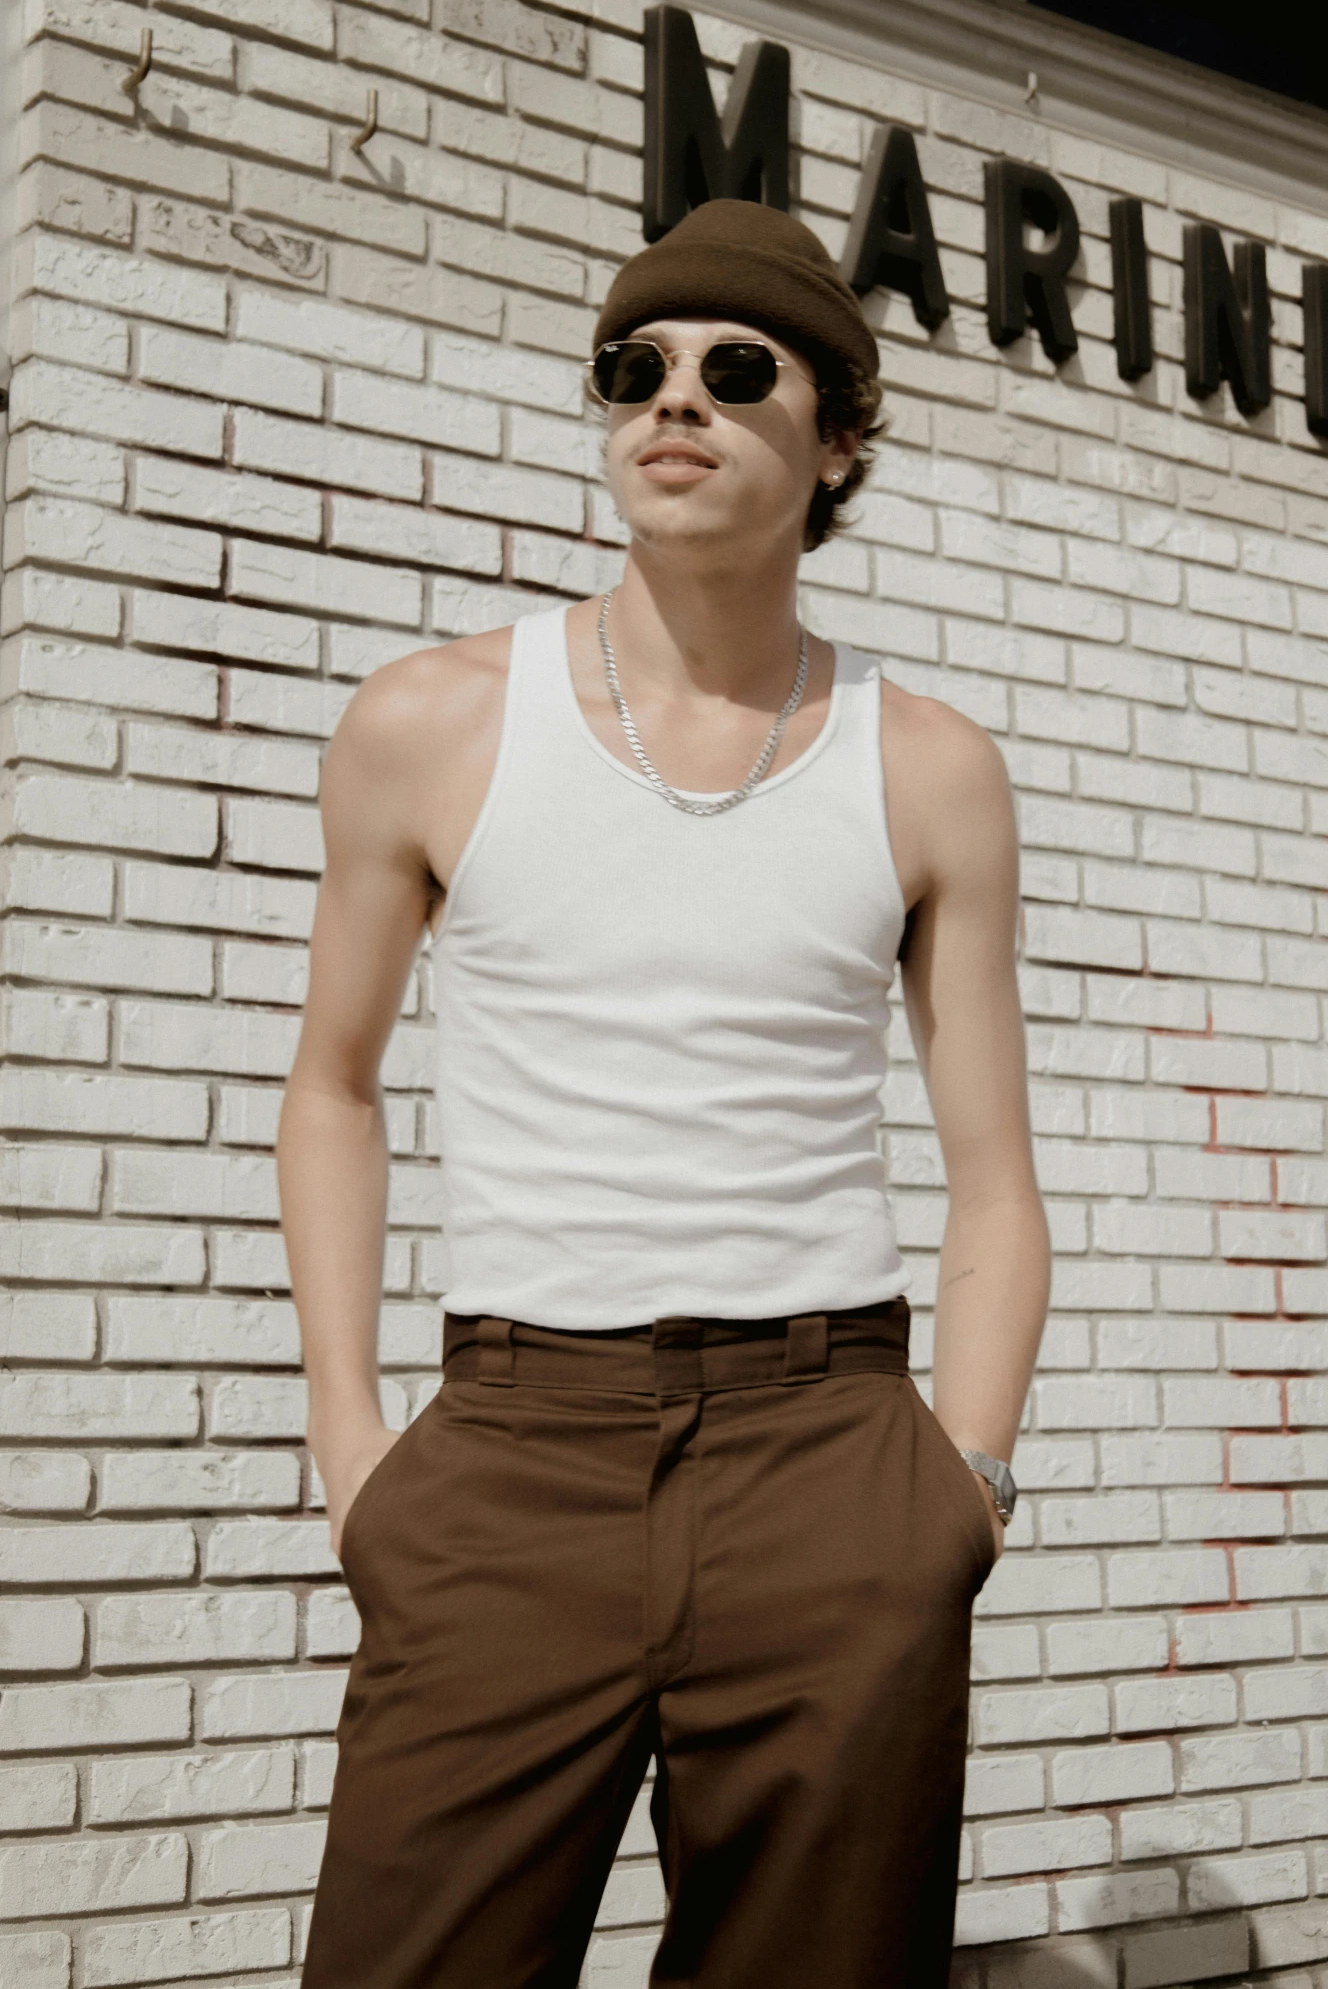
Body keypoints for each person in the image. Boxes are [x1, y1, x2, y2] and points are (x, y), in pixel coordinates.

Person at [279, 198, 1051, 1989]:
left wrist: (964, 1488)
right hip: (510, 1457)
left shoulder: (926, 765)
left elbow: (991, 1172)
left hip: (831, 1458)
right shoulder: (434, 721)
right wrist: (353, 1453)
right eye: (631, 370)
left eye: (731, 368)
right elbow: (331, 1083)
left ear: (835, 437)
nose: (670, 402)